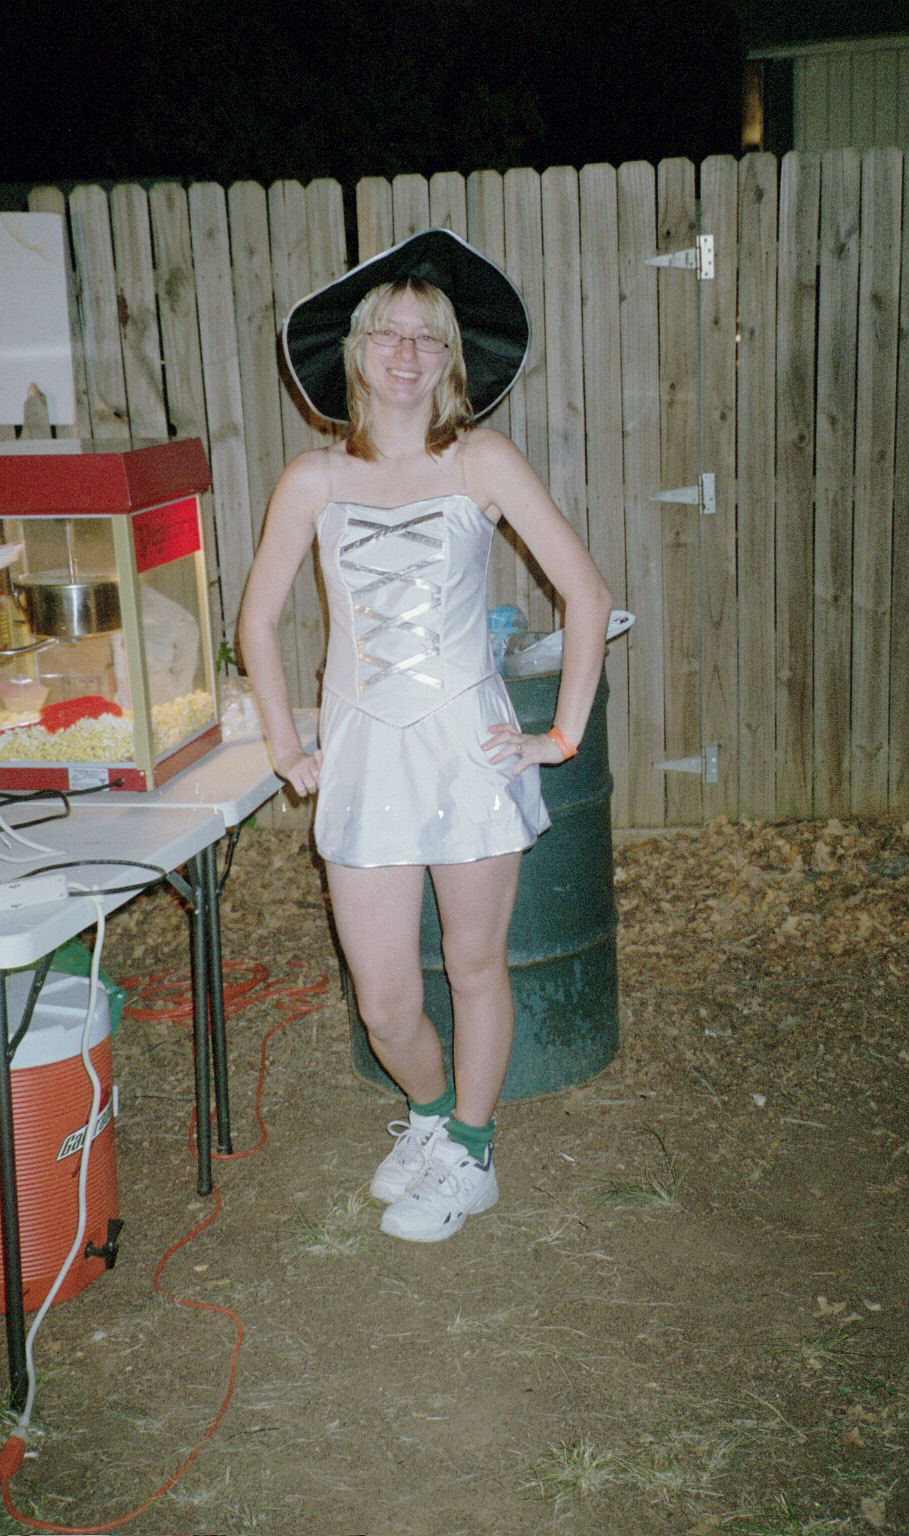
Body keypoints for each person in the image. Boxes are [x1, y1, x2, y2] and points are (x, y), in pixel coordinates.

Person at [238, 229, 612, 1243]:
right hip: (364, 762)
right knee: (386, 1004)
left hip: (468, 755)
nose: (406, 353)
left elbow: (585, 595)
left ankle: (471, 1156)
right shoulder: (312, 479)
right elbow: (257, 622)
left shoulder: (481, 459)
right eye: (387, 334)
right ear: (356, 351)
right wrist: (285, 746)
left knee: (476, 965)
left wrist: (560, 736)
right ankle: (434, 1113)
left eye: (427, 337)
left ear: (450, 358)